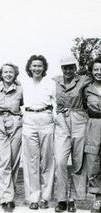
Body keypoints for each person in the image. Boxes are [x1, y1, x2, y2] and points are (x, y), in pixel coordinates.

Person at [53, 56, 91, 212]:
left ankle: (74, 199)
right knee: (60, 160)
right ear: (61, 68)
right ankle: (61, 198)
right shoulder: (55, 81)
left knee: (78, 161)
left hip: (79, 120)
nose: (67, 70)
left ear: (75, 68)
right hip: (62, 121)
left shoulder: (83, 80)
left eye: (70, 67)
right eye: (64, 67)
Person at [22, 55, 56, 210]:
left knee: (47, 160)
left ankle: (45, 198)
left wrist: (54, 118)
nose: (36, 68)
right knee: (31, 162)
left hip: (46, 119)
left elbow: (56, 103)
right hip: (29, 120)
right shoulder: (23, 83)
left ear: (44, 68)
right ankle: (33, 198)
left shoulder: (50, 83)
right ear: (30, 67)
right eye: (34, 66)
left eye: (39, 66)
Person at [0, 63, 23, 212]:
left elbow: (27, 105)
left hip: (16, 124)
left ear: (15, 74)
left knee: (13, 161)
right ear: (1, 74)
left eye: (11, 72)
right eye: (5, 72)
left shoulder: (21, 89)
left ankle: (10, 195)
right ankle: (6, 199)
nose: (8, 74)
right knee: (2, 162)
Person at [84, 57, 101, 213]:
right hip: (94, 125)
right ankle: (98, 199)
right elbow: (83, 107)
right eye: (96, 69)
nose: (99, 72)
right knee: (93, 161)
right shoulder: (87, 88)